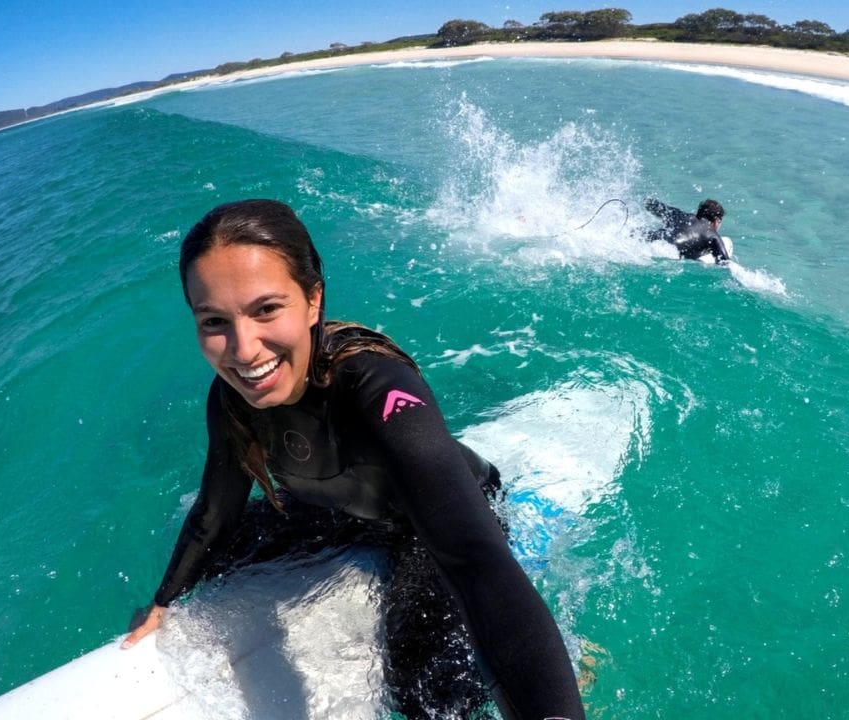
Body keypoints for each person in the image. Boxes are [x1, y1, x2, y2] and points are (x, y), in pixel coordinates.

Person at [120, 199, 585, 720]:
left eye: (266, 309)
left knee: (424, 695)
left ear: (313, 299)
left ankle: (572, 663)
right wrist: (165, 601)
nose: (243, 350)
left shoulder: (374, 385)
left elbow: (473, 560)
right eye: (214, 321)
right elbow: (216, 511)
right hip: (342, 511)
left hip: (427, 522)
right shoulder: (231, 397)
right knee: (223, 560)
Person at [644, 197, 732, 264]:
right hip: (668, 253)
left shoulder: (679, 215)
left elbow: (652, 205)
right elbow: (725, 263)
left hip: (648, 240)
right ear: (717, 221)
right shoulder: (713, 236)